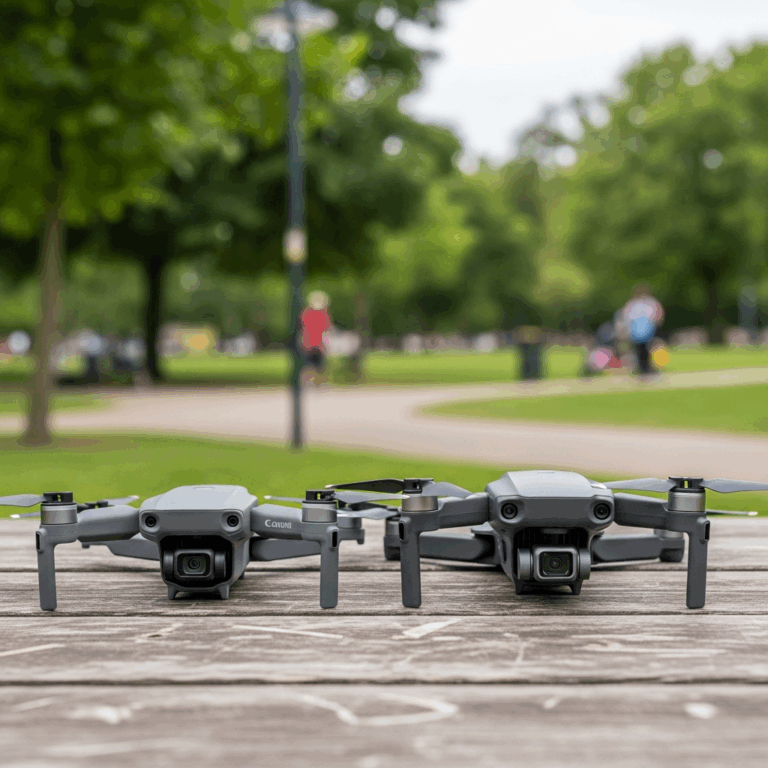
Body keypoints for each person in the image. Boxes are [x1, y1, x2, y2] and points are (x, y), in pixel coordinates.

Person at [621, 284, 664, 375]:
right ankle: (642, 367)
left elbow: (658, 314)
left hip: (647, 328)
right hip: (637, 329)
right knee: (639, 349)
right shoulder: (633, 304)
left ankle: (647, 367)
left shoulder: (649, 303)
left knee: (647, 348)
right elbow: (627, 316)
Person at [300, 291, 331, 383]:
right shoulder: (323, 314)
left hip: (307, 343)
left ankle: (308, 380)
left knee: (308, 364)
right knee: (319, 365)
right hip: (318, 343)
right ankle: (317, 381)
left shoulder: (305, 313)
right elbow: (326, 329)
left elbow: (302, 327)